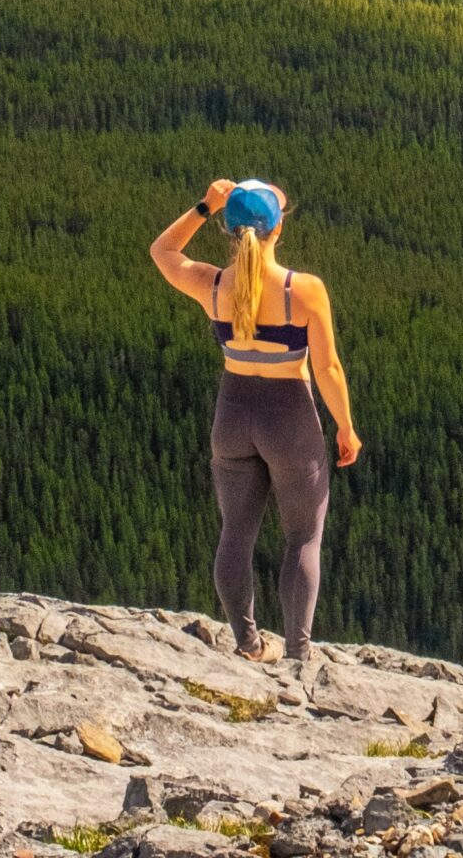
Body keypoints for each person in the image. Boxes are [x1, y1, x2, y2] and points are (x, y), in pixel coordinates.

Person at [150, 176, 360, 665]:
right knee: (302, 538)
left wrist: (205, 205)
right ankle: (298, 655)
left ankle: (248, 645)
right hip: (289, 419)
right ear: (277, 230)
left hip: (233, 414)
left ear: (228, 230)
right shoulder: (303, 291)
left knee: (236, 533)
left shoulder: (213, 285)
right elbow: (327, 368)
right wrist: (345, 427)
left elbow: (163, 252)